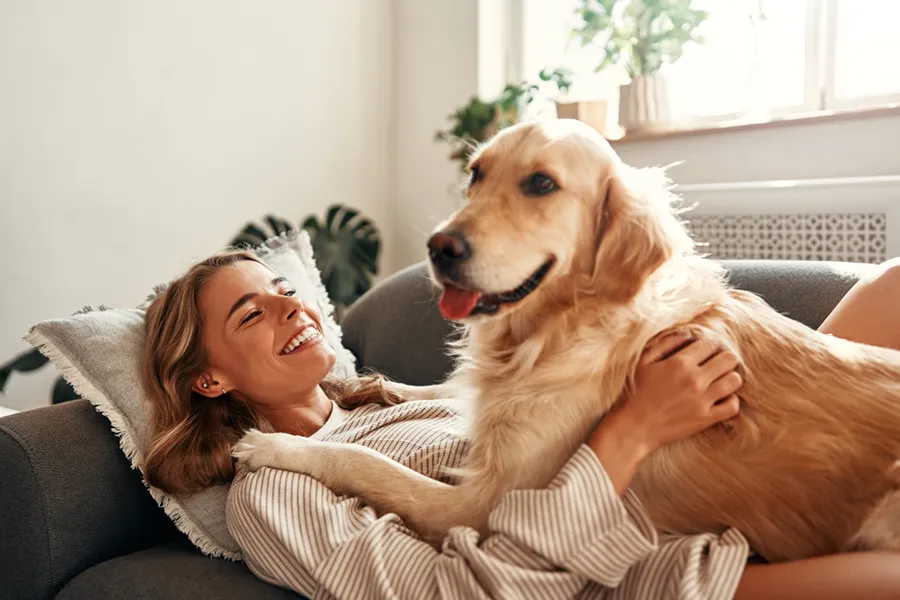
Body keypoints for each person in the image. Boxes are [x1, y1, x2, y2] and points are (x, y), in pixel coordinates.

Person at [140, 250, 900, 599]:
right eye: (252, 312)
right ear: (210, 379)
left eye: (284, 290)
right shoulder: (270, 488)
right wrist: (632, 431)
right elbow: (458, 594)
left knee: (893, 281)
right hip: (641, 562)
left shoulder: (395, 401)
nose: (291, 307)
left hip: (696, 451)